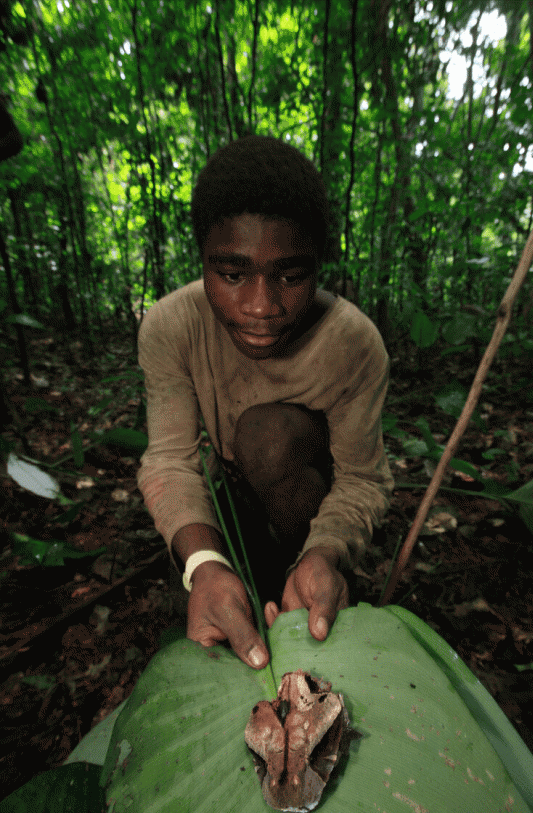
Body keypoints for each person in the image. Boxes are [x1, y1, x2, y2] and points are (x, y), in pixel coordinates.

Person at [137, 135, 394, 670]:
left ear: (319, 265)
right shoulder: (171, 326)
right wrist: (205, 567)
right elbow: (170, 460)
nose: (262, 306)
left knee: (268, 435)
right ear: (203, 262)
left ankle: (304, 581)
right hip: (232, 496)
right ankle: (241, 579)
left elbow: (362, 478)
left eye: (291, 275)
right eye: (232, 275)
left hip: (308, 499)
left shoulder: (353, 343)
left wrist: (325, 553)